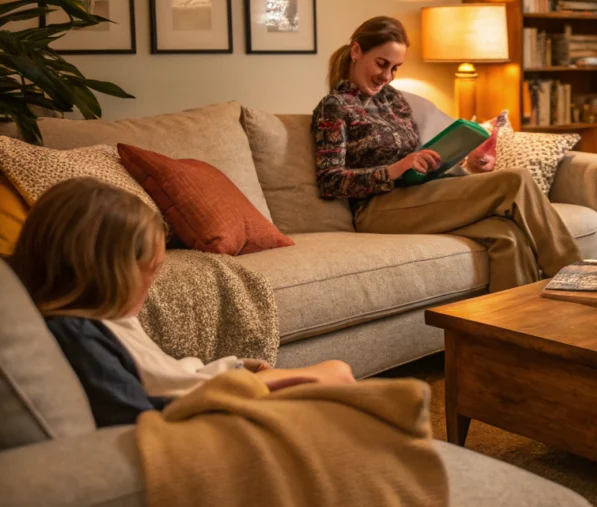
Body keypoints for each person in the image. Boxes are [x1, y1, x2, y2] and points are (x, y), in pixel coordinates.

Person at [10, 177, 355, 428]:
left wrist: (236, 367)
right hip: (201, 411)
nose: (153, 282)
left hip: (212, 390)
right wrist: (239, 387)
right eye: (149, 270)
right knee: (337, 376)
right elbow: (139, 413)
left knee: (339, 378)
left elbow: (166, 372)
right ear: (105, 271)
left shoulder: (110, 319)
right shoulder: (79, 333)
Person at [312, 16, 582, 291]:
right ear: (356, 51)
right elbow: (330, 180)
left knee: (507, 234)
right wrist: (395, 169)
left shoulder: (394, 99)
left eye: (395, 68)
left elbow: (415, 155)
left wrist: (444, 160)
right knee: (516, 180)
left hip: (419, 194)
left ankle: (515, 327)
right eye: (382, 64)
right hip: (377, 208)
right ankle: (576, 280)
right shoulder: (334, 107)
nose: (387, 76)